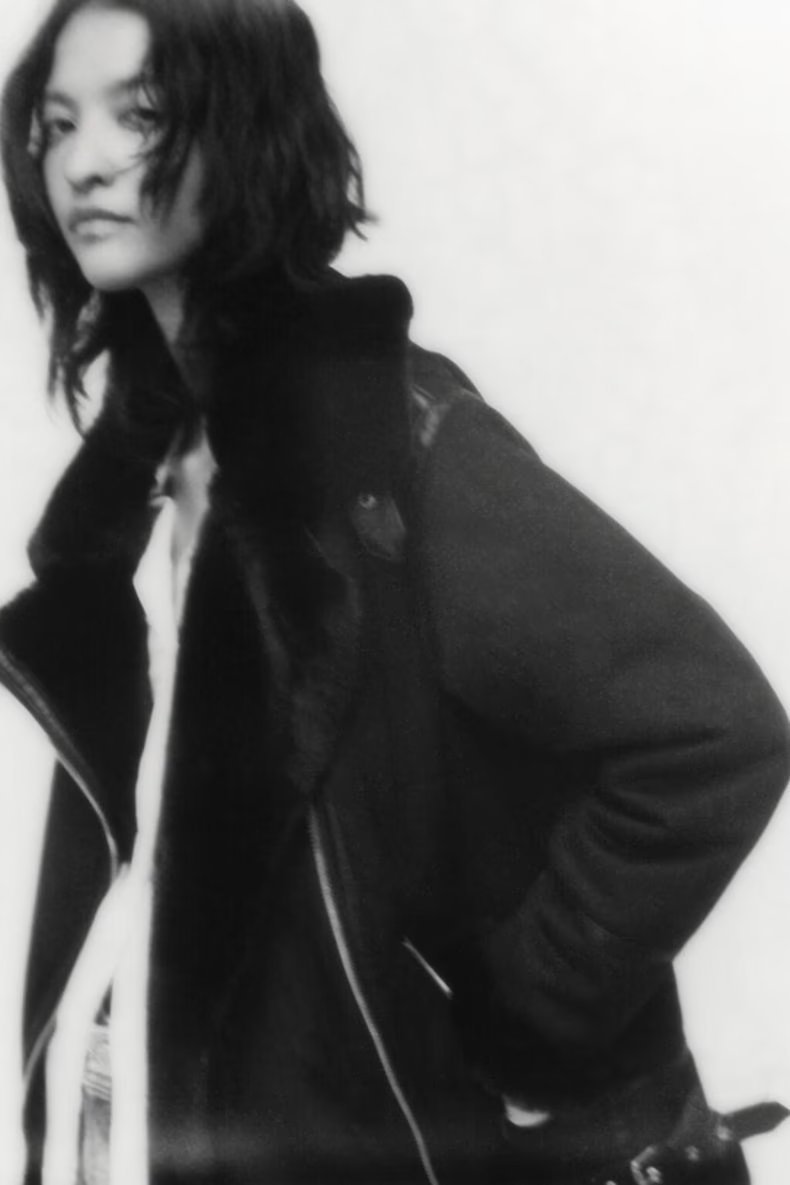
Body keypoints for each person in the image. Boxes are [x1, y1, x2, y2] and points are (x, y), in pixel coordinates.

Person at [1, 0, 788, 1182]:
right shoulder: (134, 482)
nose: (84, 162)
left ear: (249, 133)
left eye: (141, 117)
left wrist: (526, 1025)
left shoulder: (391, 448)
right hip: (126, 1119)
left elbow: (711, 734)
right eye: (57, 125)